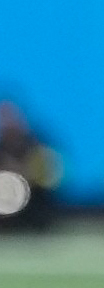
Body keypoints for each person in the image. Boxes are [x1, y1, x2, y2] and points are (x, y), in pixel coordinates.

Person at [0, 99, 62, 234]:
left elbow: (50, 177)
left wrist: (24, 175)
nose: (7, 122)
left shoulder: (36, 144)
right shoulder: (2, 147)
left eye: (11, 116)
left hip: (33, 203)